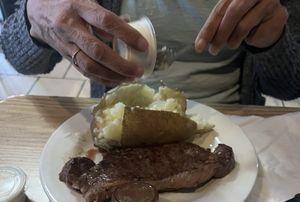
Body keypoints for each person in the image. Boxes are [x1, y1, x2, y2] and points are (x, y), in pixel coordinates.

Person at [1, 0, 299, 104]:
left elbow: (288, 85)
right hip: (118, 124)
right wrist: (32, 16)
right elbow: (18, 57)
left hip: (229, 124)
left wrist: (272, 41)